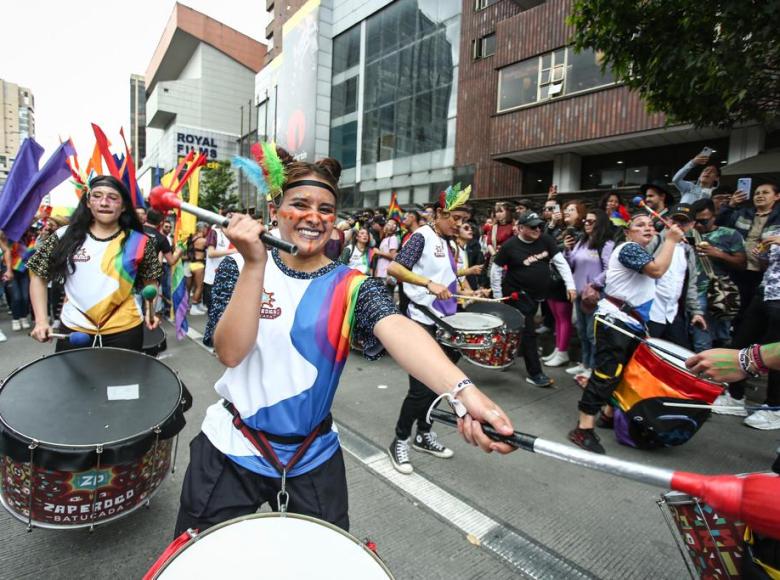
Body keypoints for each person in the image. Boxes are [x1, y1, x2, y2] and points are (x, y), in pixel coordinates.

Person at [174, 151, 514, 535]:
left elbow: (397, 327)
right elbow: (230, 353)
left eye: (326, 209)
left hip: (312, 457)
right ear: (275, 208)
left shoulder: (353, 285)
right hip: (232, 449)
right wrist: (255, 263)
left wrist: (464, 392)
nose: (314, 217)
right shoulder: (239, 267)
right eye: (299, 204)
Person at [569, 213, 684, 454]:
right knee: (605, 374)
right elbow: (656, 271)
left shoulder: (640, 252)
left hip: (630, 324)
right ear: (627, 232)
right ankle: (583, 428)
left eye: (651, 225)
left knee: (624, 374)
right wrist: (671, 240)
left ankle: (609, 414)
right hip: (615, 322)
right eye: (640, 225)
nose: (648, 228)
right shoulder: (628, 249)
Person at [385, 197, 475, 474]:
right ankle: (399, 440)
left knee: (441, 386)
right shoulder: (421, 236)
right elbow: (395, 268)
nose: (459, 224)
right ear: (439, 213)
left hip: (443, 320)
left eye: (463, 220)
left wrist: (469, 290)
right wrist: (427, 284)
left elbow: (444, 276)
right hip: (420, 320)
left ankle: (424, 433)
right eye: (455, 218)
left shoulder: (448, 242)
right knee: (420, 388)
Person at [28, 175, 161, 351]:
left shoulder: (141, 241)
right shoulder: (64, 236)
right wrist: (41, 321)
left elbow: (150, 282)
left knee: (122, 380)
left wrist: (151, 312)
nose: (104, 202)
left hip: (125, 329)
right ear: (88, 202)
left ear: (123, 207)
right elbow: (38, 275)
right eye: (97, 196)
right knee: (71, 380)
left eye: (112, 198)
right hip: (75, 329)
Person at [494, 210, 576, 388]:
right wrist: (499, 296)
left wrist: (570, 285)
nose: (537, 229)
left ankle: (505, 356)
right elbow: (496, 269)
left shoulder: (546, 240)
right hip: (517, 294)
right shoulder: (510, 246)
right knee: (528, 331)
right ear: (520, 228)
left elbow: (560, 262)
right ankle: (535, 373)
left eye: (539, 225)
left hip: (537, 296)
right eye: (532, 227)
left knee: (518, 330)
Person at [709, 233, 780, 429]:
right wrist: (762, 253)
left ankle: (774, 408)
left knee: (775, 354)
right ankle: (735, 397)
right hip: (766, 291)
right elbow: (769, 266)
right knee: (741, 342)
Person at [644, 204, 707, 348]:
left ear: (692, 225)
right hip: (650, 312)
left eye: (683, 222)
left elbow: (690, 284)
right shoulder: (654, 241)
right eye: (674, 221)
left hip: (673, 314)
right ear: (667, 220)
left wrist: (696, 312)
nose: (678, 225)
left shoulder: (688, 250)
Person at [716, 182, 780, 322]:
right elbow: (719, 224)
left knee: (756, 316)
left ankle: (753, 343)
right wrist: (731, 205)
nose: (760, 196)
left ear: (777, 196)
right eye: (757, 193)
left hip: (765, 273)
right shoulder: (743, 212)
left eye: (765, 192)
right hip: (739, 268)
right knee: (735, 309)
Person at [564, 209, 615, 384]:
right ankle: (585, 364)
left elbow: (610, 270)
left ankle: (593, 367)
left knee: (592, 333)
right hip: (579, 294)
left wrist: (594, 284)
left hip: (595, 295)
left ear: (600, 223)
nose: (586, 223)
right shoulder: (581, 241)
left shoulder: (606, 244)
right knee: (581, 331)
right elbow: (571, 264)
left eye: (591, 221)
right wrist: (568, 250)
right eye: (585, 220)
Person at [689, 198, 746, 352]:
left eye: (704, 221)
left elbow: (742, 263)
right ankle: (702, 374)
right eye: (695, 221)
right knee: (701, 339)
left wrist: (719, 254)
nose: (699, 225)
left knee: (724, 336)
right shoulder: (687, 235)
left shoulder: (730, 234)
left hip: (722, 292)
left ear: (714, 216)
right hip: (696, 292)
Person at [543, 200, 586, 368]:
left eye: (572, 210)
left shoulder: (579, 234)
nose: (567, 211)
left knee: (563, 317)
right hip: (552, 278)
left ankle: (562, 352)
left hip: (564, 280)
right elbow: (544, 243)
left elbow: (558, 252)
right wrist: (552, 224)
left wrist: (560, 246)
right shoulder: (562, 230)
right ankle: (558, 349)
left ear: (580, 214)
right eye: (566, 208)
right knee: (556, 317)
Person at [204, 217, 238, 314]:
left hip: (230, 280)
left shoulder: (235, 236)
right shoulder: (214, 232)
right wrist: (233, 251)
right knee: (213, 313)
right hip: (213, 279)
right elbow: (210, 253)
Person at [486, 202, 515, 298]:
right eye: (496, 212)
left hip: (510, 260)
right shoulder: (494, 227)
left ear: (508, 212)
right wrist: (495, 255)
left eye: (501, 211)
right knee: (495, 285)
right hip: (496, 258)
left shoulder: (513, 226)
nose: (497, 214)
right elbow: (489, 243)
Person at [188, 222, 209, 314]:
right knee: (199, 287)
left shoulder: (193, 238)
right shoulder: (203, 240)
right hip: (199, 265)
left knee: (194, 286)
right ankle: (194, 306)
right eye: (206, 229)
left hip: (191, 264)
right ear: (203, 229)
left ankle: (198, 304)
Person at [374, 219, 400, 290]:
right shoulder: (385, 239)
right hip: (381, 274)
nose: (388, 226)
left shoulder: (393, 238)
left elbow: (393, 255)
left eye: (391, 224)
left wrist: (379, 252)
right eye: (388, 224)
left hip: (387, 275)